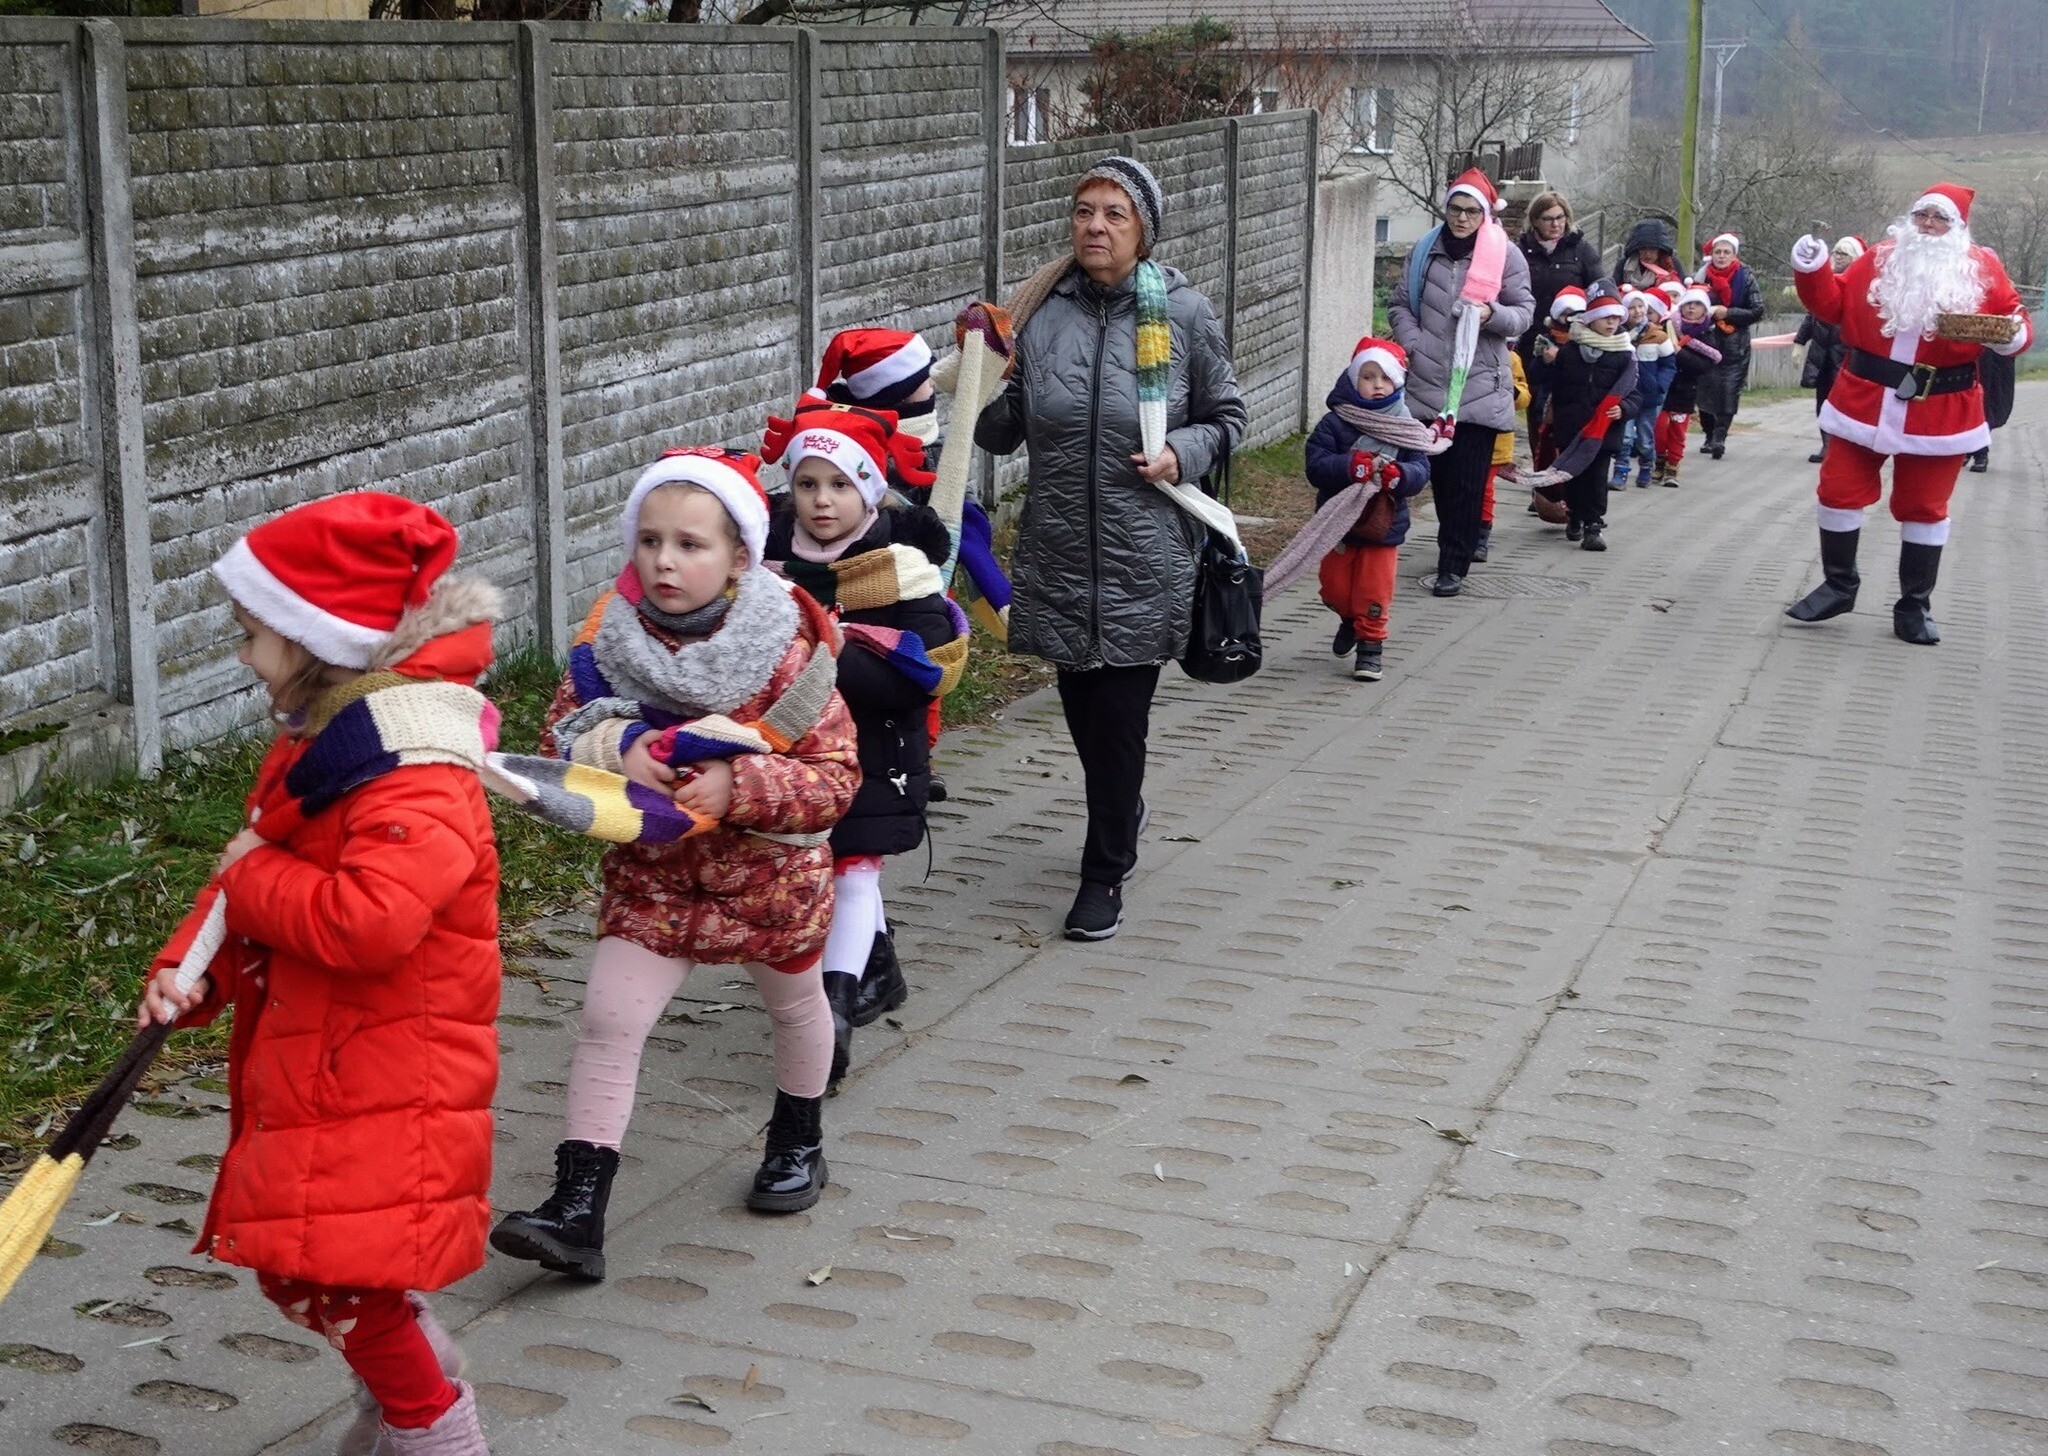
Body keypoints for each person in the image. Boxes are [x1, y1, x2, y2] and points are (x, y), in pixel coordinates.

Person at [140, 493, 505, 1454]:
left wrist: (250, 879)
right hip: (330, 1057)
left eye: (251, 634)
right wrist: (190, 969)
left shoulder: (414, 765)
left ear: (315, 640)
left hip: (388, 1073)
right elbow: (256, 868)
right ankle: (414, 1384)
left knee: (331, 1276)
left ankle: (436, 1429)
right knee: (320, 1272)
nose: (242, 654)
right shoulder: (331, 737)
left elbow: (364, 919)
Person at [491, 448, 859, 1275]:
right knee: (609, 1021)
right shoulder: (608, 643)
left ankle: (797, 1142)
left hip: (769, 881)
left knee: (796, 1008)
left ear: (739, 557)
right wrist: (616, 749)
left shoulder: (787, 650)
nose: (665, 561)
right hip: (655, 879)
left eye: (691, 545)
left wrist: (741, 784)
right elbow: (563, 733)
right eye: (650, 540)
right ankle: (577, 1209)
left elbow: (836, 779)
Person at [974, 155, 1245, 942]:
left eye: (1113, 214)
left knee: (1121, 721)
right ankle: (1121, 807)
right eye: (1083, 211)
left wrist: (1180, 453)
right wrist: (985, 371)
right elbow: (997, 433)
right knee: (1087, 718)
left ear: (1143, 231)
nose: (1094, 226)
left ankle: (1103, 874)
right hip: (1059, 549)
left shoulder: (1184, 315)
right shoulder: (1038, 314)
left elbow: (1228, 417)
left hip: (1146, 554)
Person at [759, 398, 962, 1087]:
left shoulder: (901, 568)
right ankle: (879, 972)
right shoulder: (766, 564)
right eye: (807, 483)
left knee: (854, 869)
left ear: (871, 489)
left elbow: (924, 670)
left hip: (879, 748)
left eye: (841, 485)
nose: (822, 501)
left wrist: (832, 653)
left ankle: (836, 1008)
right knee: (815, 865)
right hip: (791, 752)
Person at [1786, 183, 2032, 644]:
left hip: (1941, 411)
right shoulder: (1879, 258)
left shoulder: (1982, 268)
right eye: (1922, 215)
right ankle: (1839, 586)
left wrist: (2009, 335)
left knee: (1924, 508)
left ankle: (1914, 606)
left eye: (1940, 218)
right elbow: (1832, 304)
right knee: (1837, 491)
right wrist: (1812, 269)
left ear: (1958, 227)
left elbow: (2016, 324)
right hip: (1863, 400)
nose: (1928, 225)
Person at [1387, 168, 1534, 597]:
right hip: (1427, 383)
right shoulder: (1425, 251)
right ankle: (1453, 543)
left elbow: (1524, 313)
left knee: (1468, 483)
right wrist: (1415, 344)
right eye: (1455, 209)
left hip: (1480, 385)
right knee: (1440, 479)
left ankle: (1453, 563)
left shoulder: (1506, 255)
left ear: (1485, 214)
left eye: (1472, 211)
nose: (1462, 218)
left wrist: (1491, 314)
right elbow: (1399, 305)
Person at [1302, 337, 1435, 681]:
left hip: (1383, 525)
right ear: (1352, 380)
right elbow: (1316, 465)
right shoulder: (1335, 423)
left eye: (1385, 378)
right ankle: (1349, 618)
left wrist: (1399, 475)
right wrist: (1350, 467)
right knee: (1334, 587)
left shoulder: (1407, 426)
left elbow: (1420, 470)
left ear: (1398, 382)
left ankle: (1370, 647)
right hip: (1339, 523)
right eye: (1368, 376)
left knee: (1374, 590)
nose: (1377, 385)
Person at [1533, 280, 1639, 551]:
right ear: (1591, 318)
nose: (1611, 323)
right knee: (1572, 476)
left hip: (1603, 430)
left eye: (1616, 317)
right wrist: (1543, 361)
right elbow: (1551, 383)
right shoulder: (1571, 350)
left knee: (1597, 478)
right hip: (1571, 427)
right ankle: (1574, 515)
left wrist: (1624, 409)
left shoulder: (1625, 354)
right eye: (1605, 317)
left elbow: (1636, 394)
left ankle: (1593, 525)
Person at [1515, 191, 1604, 469]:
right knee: (1537, 407)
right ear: (1534, 221)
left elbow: (1600, 292)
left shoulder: (1581, 251)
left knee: (1567, 405)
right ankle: (1541, 470)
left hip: (1571, 342)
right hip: (1531, 340)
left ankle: (1568, 468)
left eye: (1560, 217)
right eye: (1548, 218)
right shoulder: (1520, 252)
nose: (1555, 224)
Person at [1694, 232, 1765, 459]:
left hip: (1736, 345)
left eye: (1726, 252)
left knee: (1728, 391)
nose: (1722, 256)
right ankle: (1708, 434)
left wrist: (1729, 313)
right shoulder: (1702, 276)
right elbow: (1689, 306)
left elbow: (1757, 310)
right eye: (1718, 252)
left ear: (1734, 255)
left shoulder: (1745, 277)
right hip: (1706, 341)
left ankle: (1719, 437)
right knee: (1705, 389)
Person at [1795, 236, 1865, 463]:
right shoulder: (1828, 282)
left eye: (1844, 254)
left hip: (1846, 354)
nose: (1838, 257)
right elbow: (1812, 314)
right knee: (1823, 400)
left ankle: (1843, 447)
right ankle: (1826, 444)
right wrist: (1799, 342)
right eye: (1836, 252)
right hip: (1822, 353)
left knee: (1844, 403)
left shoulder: (1860, 284)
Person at [1654, 287, 1722, 487]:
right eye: (1688, 304)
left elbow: (1704, 366)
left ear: (1705, 309)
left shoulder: (1706, 334)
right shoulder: (1668, 326)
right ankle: (1659, 459)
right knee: (1659, 427)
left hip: (1686, 389)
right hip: (1663, 387)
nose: (1692, 308)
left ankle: (1673, 465)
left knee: (1677, 429)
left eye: (1697, 305)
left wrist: (1680, 353)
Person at [1624, 290, 1677, 487]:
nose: (1637, 311)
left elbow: (1669, 365)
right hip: (1626, 395)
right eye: (1631, 307)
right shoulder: (1620, 336)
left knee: (1644, 437)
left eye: (1641, 306)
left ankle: (1646, 466)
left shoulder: (1658, 336)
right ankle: (1621, 470)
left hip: (1649, 395)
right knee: (1625, 436)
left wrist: (1660, 385)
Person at [1975, 341, 2016, 471]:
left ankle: (1974, 449)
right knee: (1979, 403)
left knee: (1995, 402)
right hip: (1976, 354)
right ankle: (1979, 451)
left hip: (2000, 354)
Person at [1614, 217, 1679, 290]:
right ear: (1637, 249)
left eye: (1652, 249)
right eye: (1643, 249)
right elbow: (1615, 288)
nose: (1648, 254)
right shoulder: (1625, 264)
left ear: (1660, 249)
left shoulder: (1670, 263)